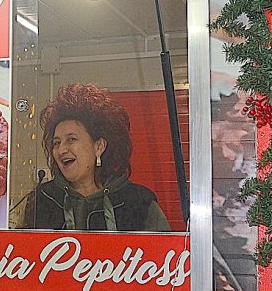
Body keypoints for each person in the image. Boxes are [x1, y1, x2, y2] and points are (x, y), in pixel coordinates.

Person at [20, 82, 169, 232]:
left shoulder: (139, 202)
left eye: (71, 139)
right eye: (56, 143)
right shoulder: (41, 200)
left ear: (99, 146)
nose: (61, 150)